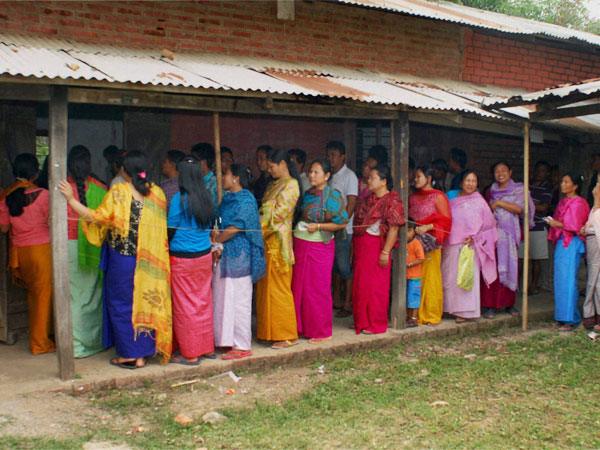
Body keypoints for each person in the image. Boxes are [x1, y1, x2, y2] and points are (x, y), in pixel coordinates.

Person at [58, 150, 172, 369]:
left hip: (123, 259)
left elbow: (95, 217)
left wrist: (71, 200)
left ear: (124, 170)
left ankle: (129, 355)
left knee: (121, 305)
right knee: (146, 301)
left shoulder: (119, 191)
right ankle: (142, 353)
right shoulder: (157, 193)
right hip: (149, 260)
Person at [0, 153, 54, 355]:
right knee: (44, 296)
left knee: (34, 296)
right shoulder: (44, 195)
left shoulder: (7, 196)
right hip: (42, 250)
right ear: (35, 172)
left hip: (21, 253)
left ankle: (42, 336)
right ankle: (40, 343)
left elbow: (4, 228)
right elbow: (51, 221)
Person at [292, 159, 348, 343]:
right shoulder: (308, 194)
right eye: (310, 171)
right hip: (301, 245)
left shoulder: (333, 197)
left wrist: (318, 226)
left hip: (319, 248)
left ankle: (322, 331)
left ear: (327, 175)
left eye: (316, 172)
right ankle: (302, 327)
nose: (311, 175)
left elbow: (342, 222)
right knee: (299, 286)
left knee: (317, 288)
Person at [212, 164, 266, 359]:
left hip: (240, 254)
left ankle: (242, 345)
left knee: (239, 300)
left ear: (236, 178)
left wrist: (216, 241)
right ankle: (226, 340)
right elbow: (217, 222)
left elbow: (236, 227)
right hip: (224, 253)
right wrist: (215, 238)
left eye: (225, 174)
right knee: (223, 298)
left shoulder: (246, 200)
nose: (222, 178)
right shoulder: (226, 200)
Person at [167, 156, 215, 365]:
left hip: (182, 258)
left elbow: (170, 228)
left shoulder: (180, 199)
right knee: (203, 302)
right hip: (204, 256)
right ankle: (206, 348)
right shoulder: (207, 197)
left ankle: (190, 352)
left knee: (184, 306)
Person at [256, 148, 301, 349]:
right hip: (266, 243)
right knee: (266, 290)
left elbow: (279, 215)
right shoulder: (273, 185)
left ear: (282, 164)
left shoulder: (292, 186)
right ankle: (268, 332)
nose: (270, 170)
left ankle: (286, 334)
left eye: (272, 166)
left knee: (280, 291)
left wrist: (255, 227)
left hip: (279, 245)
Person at [352, 165, 405, 334]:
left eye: (373, 178)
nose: (369, 180)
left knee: (376, 287)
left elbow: (394, 228)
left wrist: (385, 252)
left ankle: (375, 324)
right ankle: (361, 320)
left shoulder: (392, 200)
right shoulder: (369, 200)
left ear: (384, 181)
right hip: (363, 245)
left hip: (377, 246)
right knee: (361, 285)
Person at [66, 145, 107, 358]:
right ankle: (92, 343)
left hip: (68, 247)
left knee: (72, 297)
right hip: (94, 246)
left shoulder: (62, 188)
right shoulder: (101, 188)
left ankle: (74, 345)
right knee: (93, 295)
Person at [442, 171, 498, 323]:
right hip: (451, 244)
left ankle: (465, 312)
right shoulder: (452, 199)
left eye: (474, 181)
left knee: (466, 278)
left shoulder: (479, 201)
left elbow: (489, 225)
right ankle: (448, 308)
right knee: (449, 278)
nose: (470, 183)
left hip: (469, 245)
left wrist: (475, 237)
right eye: (468, 180)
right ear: (461, 183)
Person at [481, 161, 534, 319]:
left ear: (510, 172)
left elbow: (519, 209)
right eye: (497, 171)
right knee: (493, 268)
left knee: (510, 267)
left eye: (503, 170)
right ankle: (490, 306)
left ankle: (509, 304)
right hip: (493, 236)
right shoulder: (491, 190)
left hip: (510, 236)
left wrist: (499, 203)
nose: (500, 174)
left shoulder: (519, 189)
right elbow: (487, 210)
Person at [409, 165, 452, 326]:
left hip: (430, 243)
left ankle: (430, 314)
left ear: (428, 178)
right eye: (415, 177)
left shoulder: (438, 196)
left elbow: (446, 221)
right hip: (414, 243)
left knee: (431, 277)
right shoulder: (412, 197)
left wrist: (428, 227)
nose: (416, 179)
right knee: (415, 278)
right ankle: (414, 314)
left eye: (419, 176)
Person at [548, 172, 589, 332]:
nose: (563, 184)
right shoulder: (563, 202)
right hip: (562, 242)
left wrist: (557, 223)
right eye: (562, 181)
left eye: (566, 182)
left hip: (572, 243)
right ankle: (561, 316)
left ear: (575, 185)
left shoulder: (580, 203)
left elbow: (575, 226)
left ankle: (572, 318)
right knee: (560, 280)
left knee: (569, 280)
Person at [327, 140, 358, 318]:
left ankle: (347, 303)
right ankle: (337, 299)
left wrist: (342, 224)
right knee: (335, 267)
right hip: (331, 228)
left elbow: (351, 202)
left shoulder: (349, 176)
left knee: (345, 267)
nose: (330, 158)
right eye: (329, 155)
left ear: (343, 156)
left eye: (334, 155)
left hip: (344, 229)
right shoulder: (331, 176)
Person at [518, 161, 553, 295]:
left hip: (538, 226)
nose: (539, 173)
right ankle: (518, 285)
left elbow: (544, 207)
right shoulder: (527, 184)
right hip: (523, 226)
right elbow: (519, 202)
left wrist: (529, 203)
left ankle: (533, 286)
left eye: (543, 171)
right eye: (537, 170)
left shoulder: (547, 188)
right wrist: (534, 203)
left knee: (535, 259)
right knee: (520, 257)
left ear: (547, 174)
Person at [582, 178, 600, 330]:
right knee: (594, 280)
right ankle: (592, 315)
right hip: (593, 243)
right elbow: (590, 224)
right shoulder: (595, 207)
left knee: (596, 280)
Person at [406, 221, 425, 328]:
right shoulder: (401, 242)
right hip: (405, 275)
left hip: (414, 275)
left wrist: (410, 264)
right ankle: (406, 316)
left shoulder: (416, 243)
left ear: (414, 232)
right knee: (405, 295)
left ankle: (414, 318)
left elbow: (421, 259)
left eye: (409, 231)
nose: (406, 233)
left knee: (414, 296)